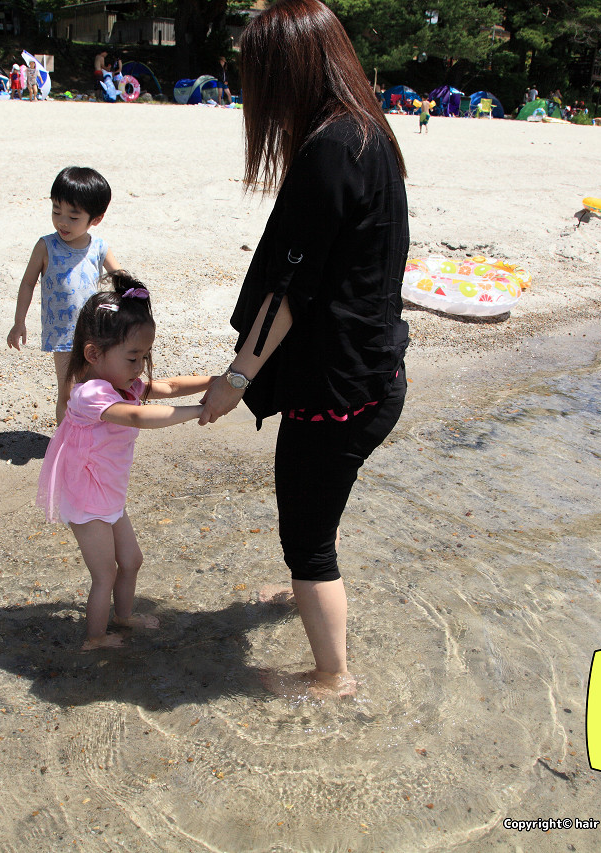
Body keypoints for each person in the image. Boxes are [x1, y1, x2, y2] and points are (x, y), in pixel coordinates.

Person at [199, 0, 409, 699]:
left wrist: (235, 378)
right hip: (374, 372)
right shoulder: (368, 131)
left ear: (286, 73)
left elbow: (287, 289)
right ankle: (305, 592)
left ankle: (331, 677)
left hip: (337, 393)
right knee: (317, 511)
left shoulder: (329, 148)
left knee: (307, 542)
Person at [36, 272, 213, 649]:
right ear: (93, 354)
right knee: (105, 574)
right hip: (87, 499)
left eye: (144, 357)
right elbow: (137, 417)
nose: (140, 367)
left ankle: (124, 616)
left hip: (109, 493)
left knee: (131, 561)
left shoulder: (124, 383)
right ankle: (95, 639)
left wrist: (217, 382)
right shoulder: (89, 394)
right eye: (133, 357)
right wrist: (200, 411)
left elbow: (169, 386)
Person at [8, 166, 121, 423]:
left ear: (96, 219)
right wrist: (19, 322)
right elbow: (27, 283)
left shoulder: (99, 247)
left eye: (73, 216)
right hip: (63, 336)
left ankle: (93, 434)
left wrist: (134, 298)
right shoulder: (46, 246)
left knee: (96, 387)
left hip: (94, 333)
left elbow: (119, 277)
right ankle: (65, 439)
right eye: (56, 211)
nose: (62, 222)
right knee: (68, 393)